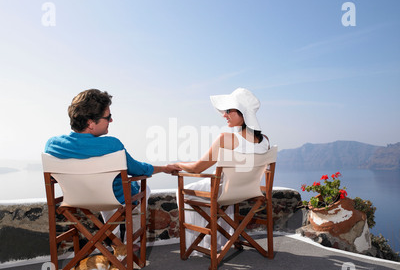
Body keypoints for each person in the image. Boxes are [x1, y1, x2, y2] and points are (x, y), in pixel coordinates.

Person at [44, 89, 181, 242]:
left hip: (76, 200)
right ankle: (129, 242)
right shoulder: (112, 145)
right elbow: (138, 169)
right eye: (107, 117)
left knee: (103, 189)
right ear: (90, 123)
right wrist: (164, 168)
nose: (111, 121)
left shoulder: (52, 145)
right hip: (111, 199)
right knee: (141, 189)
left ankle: (113, 239)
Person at [173, 87, 270, 256]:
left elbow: (197, 168)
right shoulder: (265, 141)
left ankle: (203, 242)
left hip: (225, 193)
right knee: (223, 193)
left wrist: (178, 165)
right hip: (249, 192)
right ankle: (223, 239)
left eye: (228, 111)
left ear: (242, 113)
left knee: (181, 191)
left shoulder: (226, 139)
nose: (224, 115)